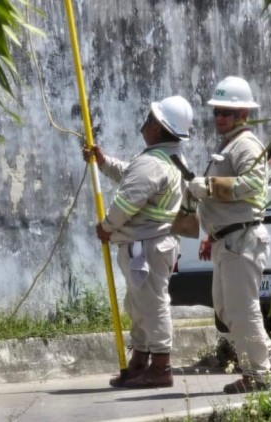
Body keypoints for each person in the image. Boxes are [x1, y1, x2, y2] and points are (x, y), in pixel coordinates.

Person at [82, 96, 193, 388]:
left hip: (146, 246)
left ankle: (160, 367)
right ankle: (141, 360)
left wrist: (106, 227)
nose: (144, 123)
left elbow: (127, 202)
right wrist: (104, 163)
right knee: (138, 305)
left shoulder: (151, 164)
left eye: (149, 119)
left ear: (158, 128)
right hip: (154, 244)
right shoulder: (168, 159)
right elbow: (131, 176)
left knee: (152, 305)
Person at [187, 76, 271, 394]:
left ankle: (259, 375)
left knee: (242, 310)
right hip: (227, 239)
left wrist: (209, 187)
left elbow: (252, 187)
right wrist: (211, 234)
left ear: (243, 113)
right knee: (227, 310)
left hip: (242, 239)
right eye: (217, 111)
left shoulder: (246, 145)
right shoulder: (230, 144)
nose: (220, 117)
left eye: (227, 112)